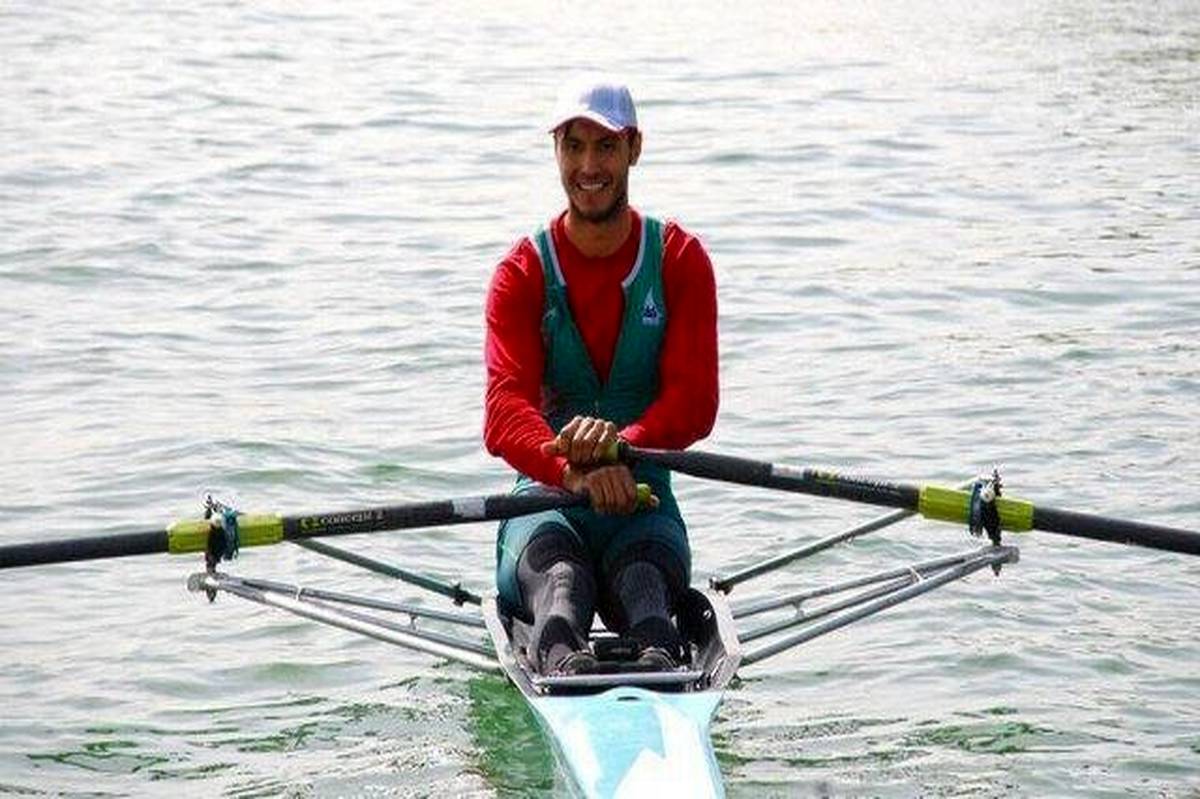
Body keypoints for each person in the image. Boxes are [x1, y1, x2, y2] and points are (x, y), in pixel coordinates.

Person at [483, 79, 719, 676]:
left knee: (645, 586)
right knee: (561, 583)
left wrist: (621, 447)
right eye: (573, 146)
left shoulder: (680, 260)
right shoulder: (521, 273)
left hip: (644, 500)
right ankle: (564, 659)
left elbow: (695, 403)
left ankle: (656, 656)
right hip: (544, 500)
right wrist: (574, 472)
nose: (588, 167)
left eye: (606, 146)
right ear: (556, 151)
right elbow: (504, 412)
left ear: (634, 148)